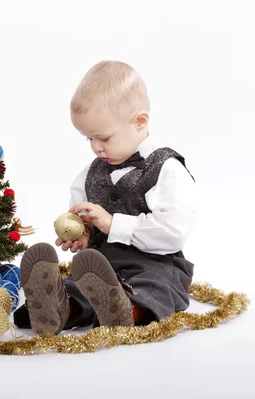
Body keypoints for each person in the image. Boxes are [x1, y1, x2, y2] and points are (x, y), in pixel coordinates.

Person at [14, 61, 197, 335]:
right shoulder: (90, 173)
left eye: (104, 138)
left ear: (140, 121)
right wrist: (84, 231)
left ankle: (127, 311)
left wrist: (113, 224)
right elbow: (83, 214)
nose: (96, 148)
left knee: (154, 286)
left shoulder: (167, 169)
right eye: (88, 139)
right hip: (102, 265)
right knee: (79, 284)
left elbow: (173, 233)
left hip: (157, 262)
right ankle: (61, 308)